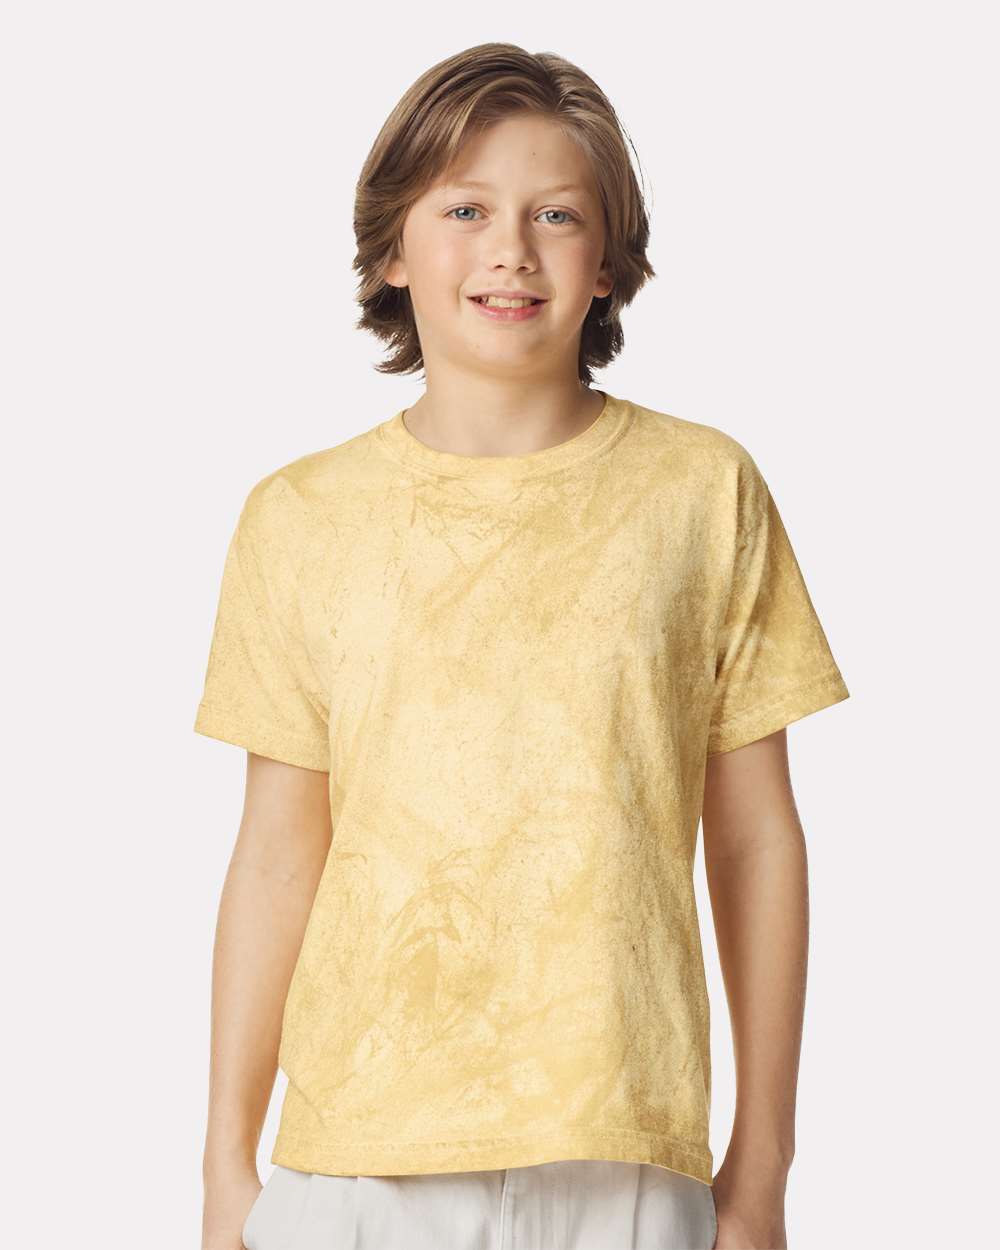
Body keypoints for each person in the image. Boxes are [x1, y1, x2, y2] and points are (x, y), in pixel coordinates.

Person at [195, 42, 850, 1250]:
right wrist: (223, 1167)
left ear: (606, 263)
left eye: (556, 213)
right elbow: (279, 853)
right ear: (393, 250)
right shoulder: (299, 517)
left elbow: (757, 838)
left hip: (624, 1160)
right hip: (356, 1167)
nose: (510, 249)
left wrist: (760, 1169)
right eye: (465, 210)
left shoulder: (700, 491)